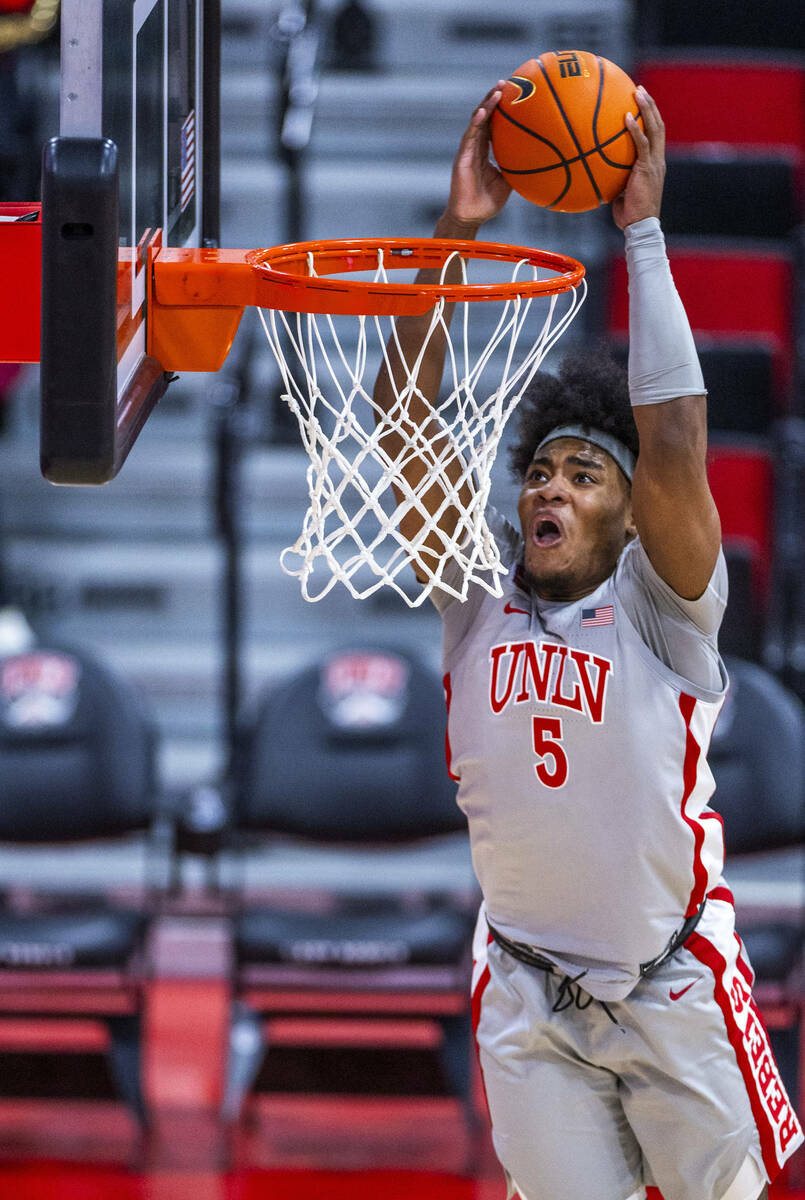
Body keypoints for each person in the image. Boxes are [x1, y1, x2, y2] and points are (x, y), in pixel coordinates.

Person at [372, 85, 803, 1199]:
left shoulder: (662, 610)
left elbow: (674, 434)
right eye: (540, 471)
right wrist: (457, 231)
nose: (548, 489)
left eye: (583, 473)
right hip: (527, 994)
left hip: (673, 988)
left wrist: (643, 237)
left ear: (628, 512)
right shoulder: (475, 601)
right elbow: (400, 423)